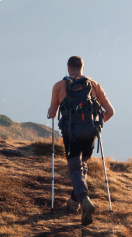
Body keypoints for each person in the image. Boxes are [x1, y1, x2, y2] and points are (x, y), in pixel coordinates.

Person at [47, 56, 114, 226]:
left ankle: (84, 200)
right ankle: (74, 202)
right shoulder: (94, 85)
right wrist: (96, 125)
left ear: (68, 68)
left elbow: (53, 114)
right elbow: (110, 111)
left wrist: (52, 110)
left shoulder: (59, 86)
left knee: (76, 168)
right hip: (90, 134)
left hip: (71, 134)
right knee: (82, 166)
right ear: (83, 67)